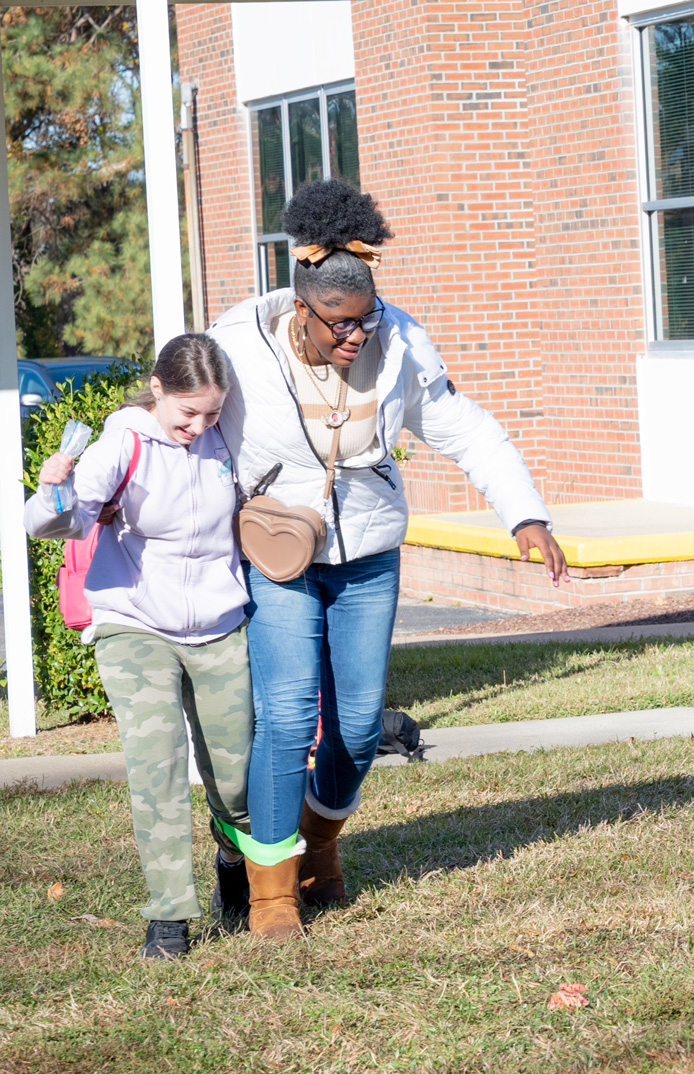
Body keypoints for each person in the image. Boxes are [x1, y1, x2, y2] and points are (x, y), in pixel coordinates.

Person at [210, 181, 567, 938]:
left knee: (359, 727)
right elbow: (179, 421)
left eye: (365, 317)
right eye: (339, 322)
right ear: (302, 307)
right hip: (277, 555)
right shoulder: (238, 344)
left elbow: (465, 427)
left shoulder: (400, 342)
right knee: (287, 716)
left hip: (367, 554)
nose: (356, 335)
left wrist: (526, 513)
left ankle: (319, 843)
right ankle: (271, 893)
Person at [27, 335, 255, 960]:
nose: (198, 426)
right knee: (157, 766)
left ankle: (233, 858)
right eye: (188, 412)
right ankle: (169, 913)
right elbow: (60, 520)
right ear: (157, 389)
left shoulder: (226, 439)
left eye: (211, 413)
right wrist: (55, 492)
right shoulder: (122, 441)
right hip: (134, 621)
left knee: (235, 777)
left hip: (219, 623)